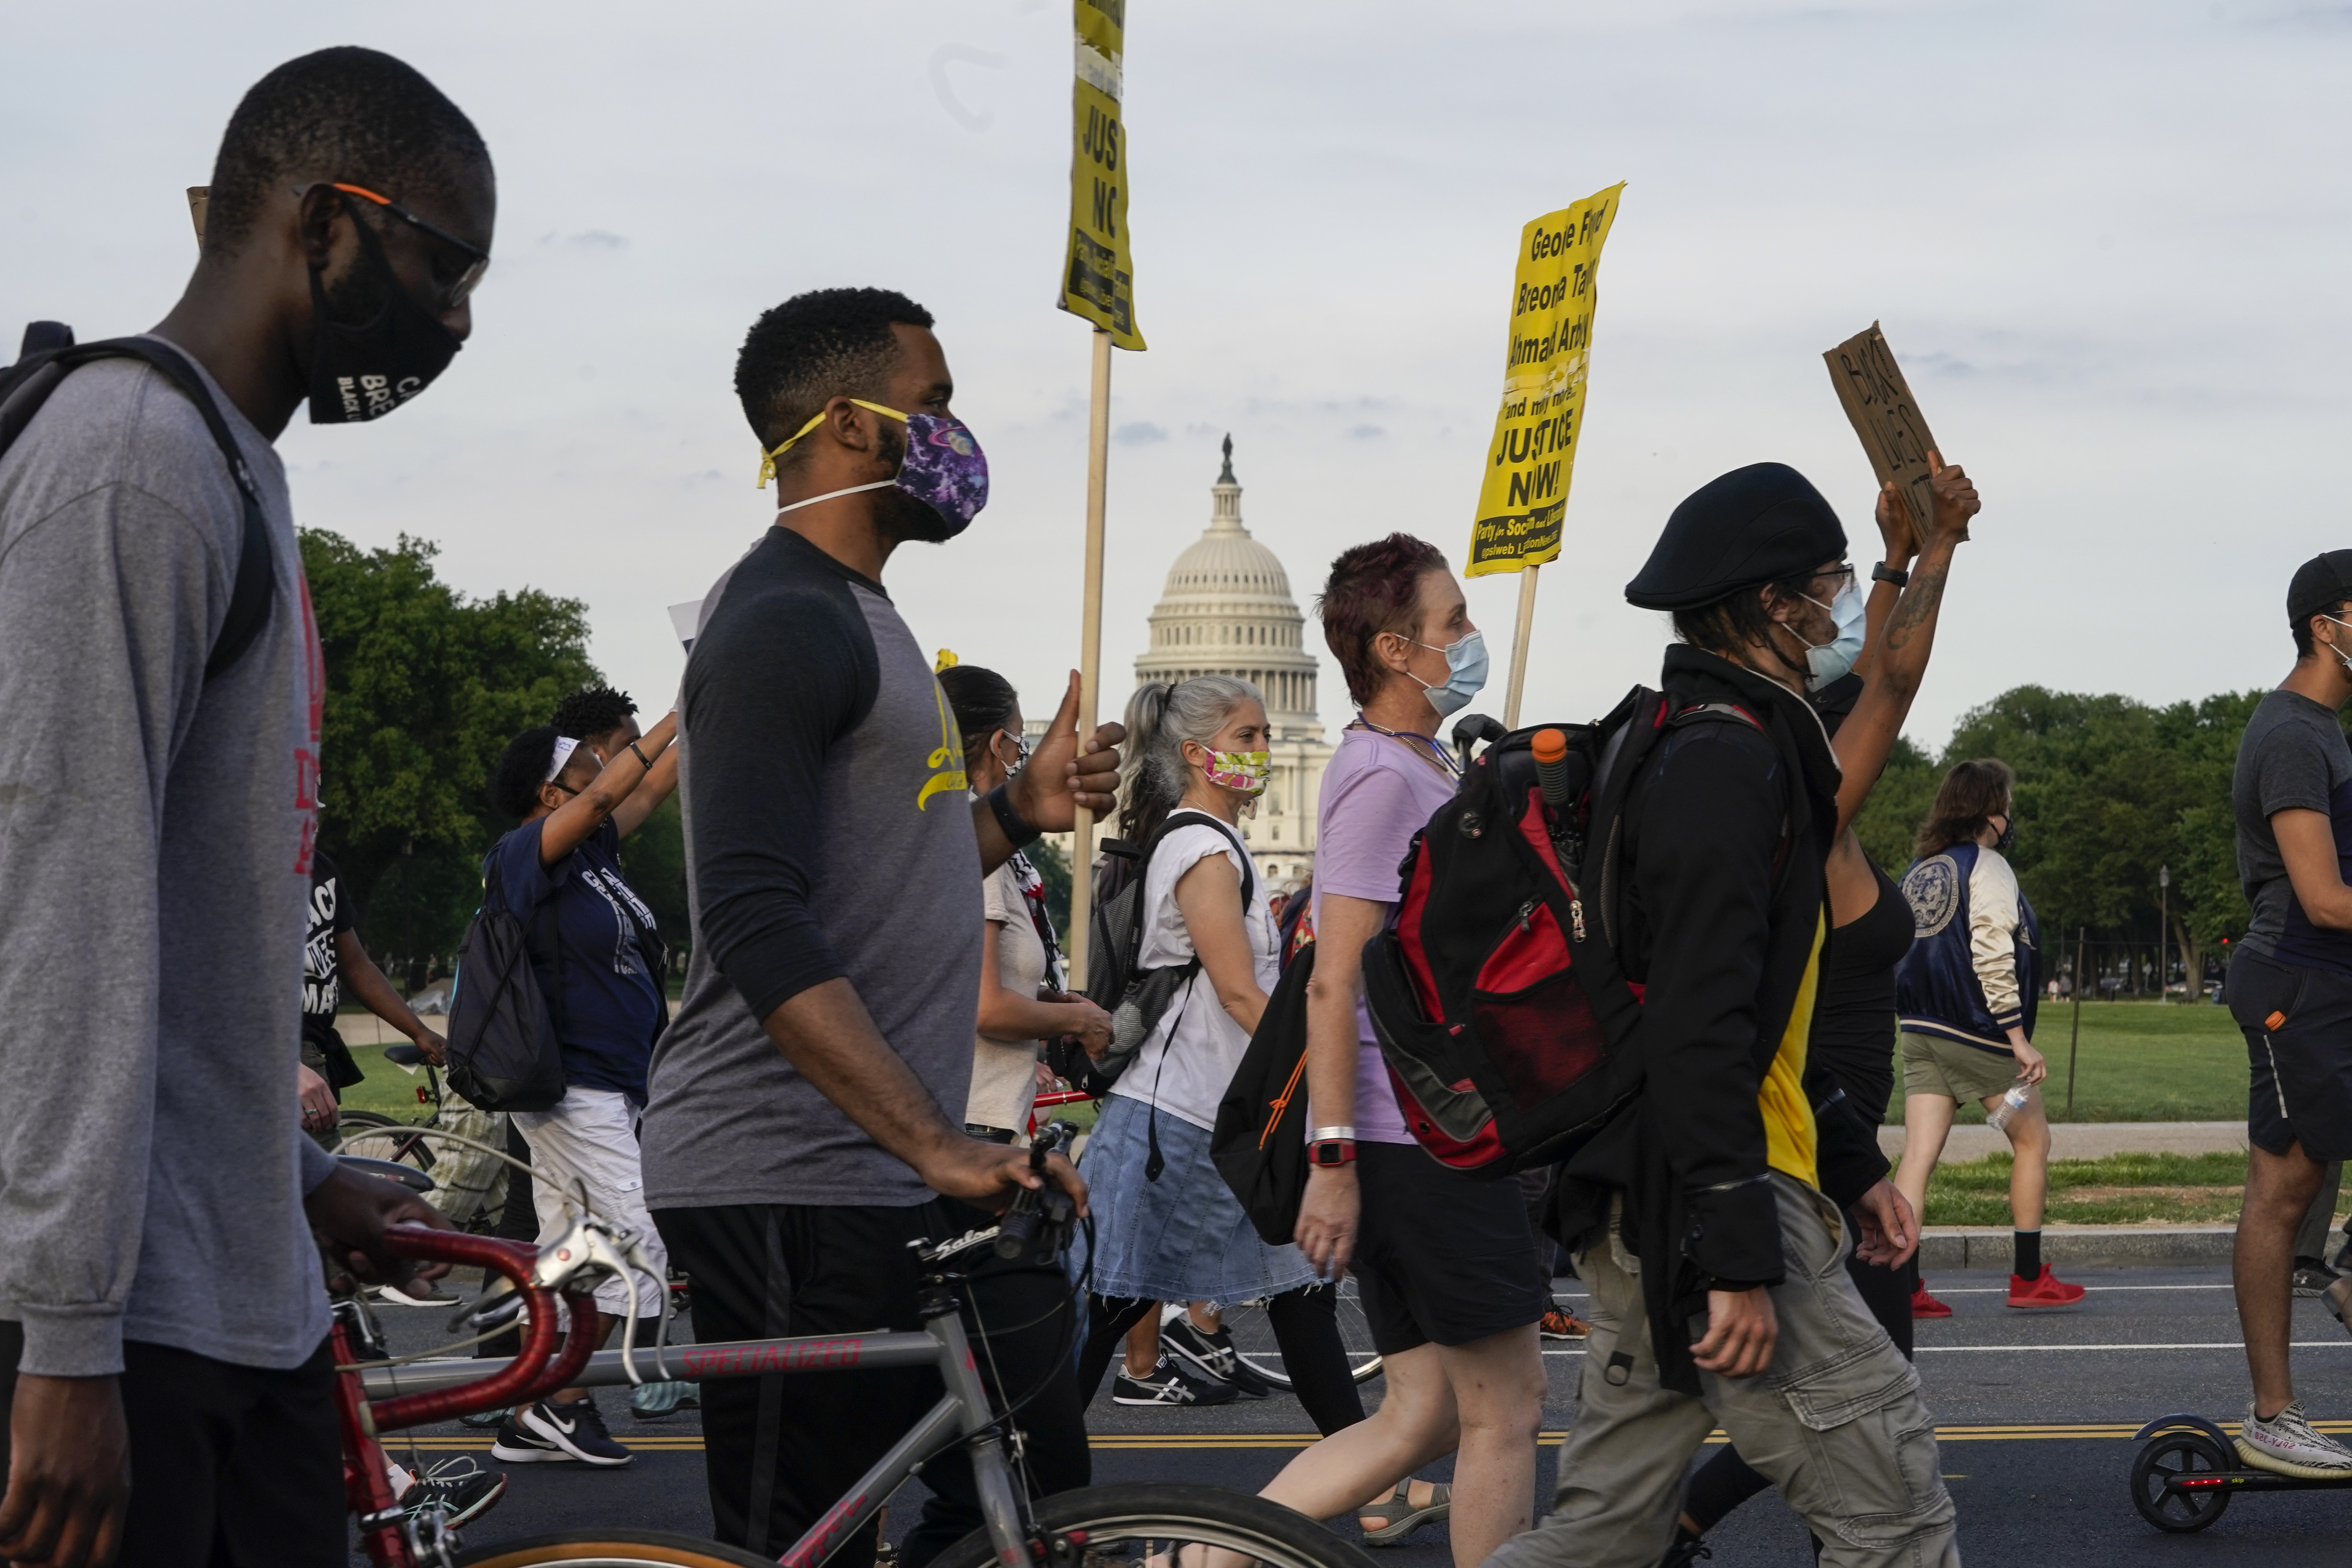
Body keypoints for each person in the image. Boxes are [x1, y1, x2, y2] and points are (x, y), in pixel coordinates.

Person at [0, 46, 488, 1564]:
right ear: (320, 224)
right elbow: (59, 903)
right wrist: (66, 1343)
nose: (457, 319)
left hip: (234, 1290)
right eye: (441, 260)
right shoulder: (131, 463)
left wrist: (297, 1179)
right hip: (115, 1327)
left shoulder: (235, 469)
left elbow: (198, 947)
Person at [640, 287, 1117, 1566]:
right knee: (813, 1541)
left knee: (1026, 1462)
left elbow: (893, 874)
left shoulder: (867, 615)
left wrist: (1022, 807)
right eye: (939, 400)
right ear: (852, 426)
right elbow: (752, 912)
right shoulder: (780, 619)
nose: (958, 432)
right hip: (782, 1176)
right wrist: (939, 1143)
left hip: (877, 1164)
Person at [1484, 464, 1952, 1568]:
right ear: (1770, 606)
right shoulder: (1717, 761)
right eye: (1829, 585)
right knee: (1893, 1515)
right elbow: (1695, 1022)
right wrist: (1735, 1251)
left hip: (1670, 1193)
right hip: (1707, 1200)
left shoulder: (1721, 742)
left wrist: (1849, 1163)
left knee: (1601, 1538)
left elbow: (1753, 1023)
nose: (1839, 609)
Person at [1670, 460, 1980, 1560]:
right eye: (1831, 593)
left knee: (1834, 1428)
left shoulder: (1794, 793)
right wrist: (1930, 551)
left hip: (1822, 1143)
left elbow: (1876, 676)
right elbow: (1886, 687)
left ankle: (1665, 1526)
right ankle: (1679, 1524)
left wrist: (1894, 559)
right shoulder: (1788, 793)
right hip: (1785, 1164)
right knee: (1873, 1439)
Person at [1254, 535, 1549, 1563]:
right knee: (1506, 1407)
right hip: (1412, 1138)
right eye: (1452, 623)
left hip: (1411, 1134)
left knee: (1416, 1416)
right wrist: (1331, 1160)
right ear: (1393, 647)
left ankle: (1194, 1551)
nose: (1466, 640)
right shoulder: (1379, 780)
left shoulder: (1416, 769)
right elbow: (1336, 976)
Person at [1070, 676, 1366, 1433]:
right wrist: (1317, 1066)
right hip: (1183, 1119)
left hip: (1220, 1115)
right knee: (1109, 1304)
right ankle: (1021, 1485)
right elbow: (1239, 993)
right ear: (1198, 753)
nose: (1265, 751)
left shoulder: (1213, 839)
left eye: (1267, 735)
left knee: (1301, 1292)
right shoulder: (1204, 846)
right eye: (1248, 737)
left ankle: (1369, 1478)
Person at [474, 715, 678, 1467]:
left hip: (612, 1080)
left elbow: (651, 783)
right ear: (548, 791)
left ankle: (531, 1407)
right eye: (592, 766)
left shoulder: (596, 852)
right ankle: (561, 1395)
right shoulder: (526, 849)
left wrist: (707, 687)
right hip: (570, 1082)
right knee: (637, 1244)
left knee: (571, 1248)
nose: (610, 772)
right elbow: (613, 791)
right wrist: (674, 716)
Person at [2220, 550, 2352, 1476]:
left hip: (2331, 986)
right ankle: (2271, 1414)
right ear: (2324, 624)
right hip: (2294, 987)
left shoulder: (2327, 733)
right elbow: (2322, 897)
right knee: (2280, 1192)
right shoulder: (2291, 736)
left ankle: (2342, 1278)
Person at [1891, 759, 2083, 1314]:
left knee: (1917, 1158)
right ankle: (2028, 1278)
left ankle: (1903, 1286)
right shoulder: (1988, 865)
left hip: (1918, 1030)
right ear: (1986, 811)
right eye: (2004, 803)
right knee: (2031, 1139)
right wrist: (2016, 1036)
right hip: (1976, 1033)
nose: (2009, 815)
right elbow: (1991, 949)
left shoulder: (1921, 868)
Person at [936, 661, 1110, 1140]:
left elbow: (963, 985)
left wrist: (1050, 1001)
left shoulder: (956, 840)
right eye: (1020, 742)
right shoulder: (974, 854)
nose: (1025, 756)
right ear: (998, 745)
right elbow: (987, 1009)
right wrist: (1081, 1018)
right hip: (974, 1116)